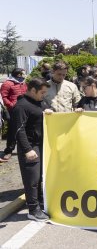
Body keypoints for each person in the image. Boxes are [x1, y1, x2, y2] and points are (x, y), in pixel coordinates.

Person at [10, 78, 51, 221]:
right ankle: (33, 210)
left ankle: (40, 204)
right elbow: (18, 130)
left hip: (41, 145)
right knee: (32, 180)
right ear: (33, 90)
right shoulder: (21, 106)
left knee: (40, 178)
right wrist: (27, 149)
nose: (44, 95)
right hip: (30, 147)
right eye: (42, 92)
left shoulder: (40, 102)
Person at [0, 68, 27, 162]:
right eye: (23, 73)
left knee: (24, 129)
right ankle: (8, 151)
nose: (25, 75)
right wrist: (12, 106)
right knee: (12, 131)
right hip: (13, 110)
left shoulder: (23, 83)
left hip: (24, 110)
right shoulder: (7, 83)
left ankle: (25, 149)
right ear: (19, 74)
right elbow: (4, 97)